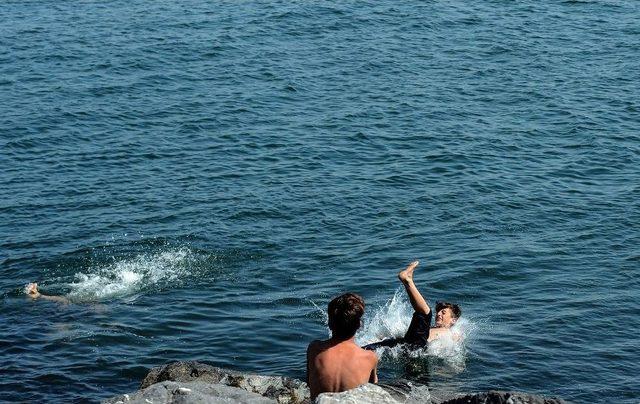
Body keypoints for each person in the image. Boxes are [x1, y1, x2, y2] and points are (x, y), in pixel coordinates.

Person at [363, 260, 461, 351]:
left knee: (426, 313)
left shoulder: (452, 333)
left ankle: (408, 280)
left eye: (443, 312)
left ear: (454, 319)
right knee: (369, 347)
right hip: (407, 343)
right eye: (439, 312)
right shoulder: (431, 328)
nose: (439, 314)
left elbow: (451, 347)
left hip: (418, 346)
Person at [306, 293, 378, 400]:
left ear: (330, 323)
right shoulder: (370, 357)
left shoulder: (314, 349)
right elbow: (373, 390)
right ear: (359, 325)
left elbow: (309, 381)